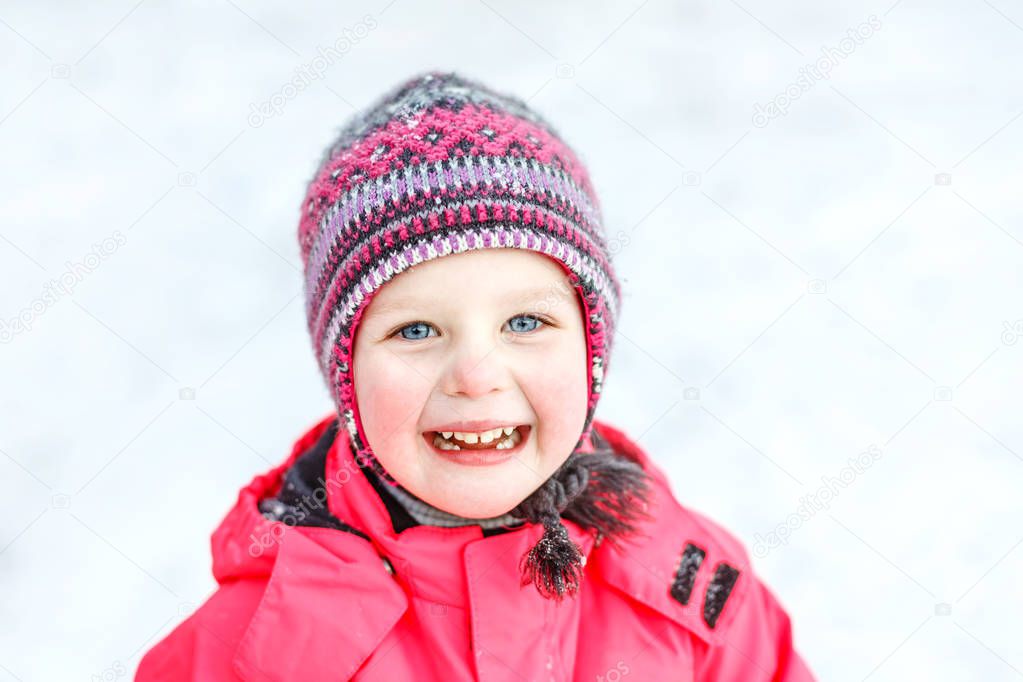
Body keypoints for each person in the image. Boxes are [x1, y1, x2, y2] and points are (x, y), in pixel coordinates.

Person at [136, 70, 816, 681]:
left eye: (524, 323)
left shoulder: (682, 580)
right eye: (416, 330)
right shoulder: (260, 652)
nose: (475, 374)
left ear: (591, 348)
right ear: (345, 373)